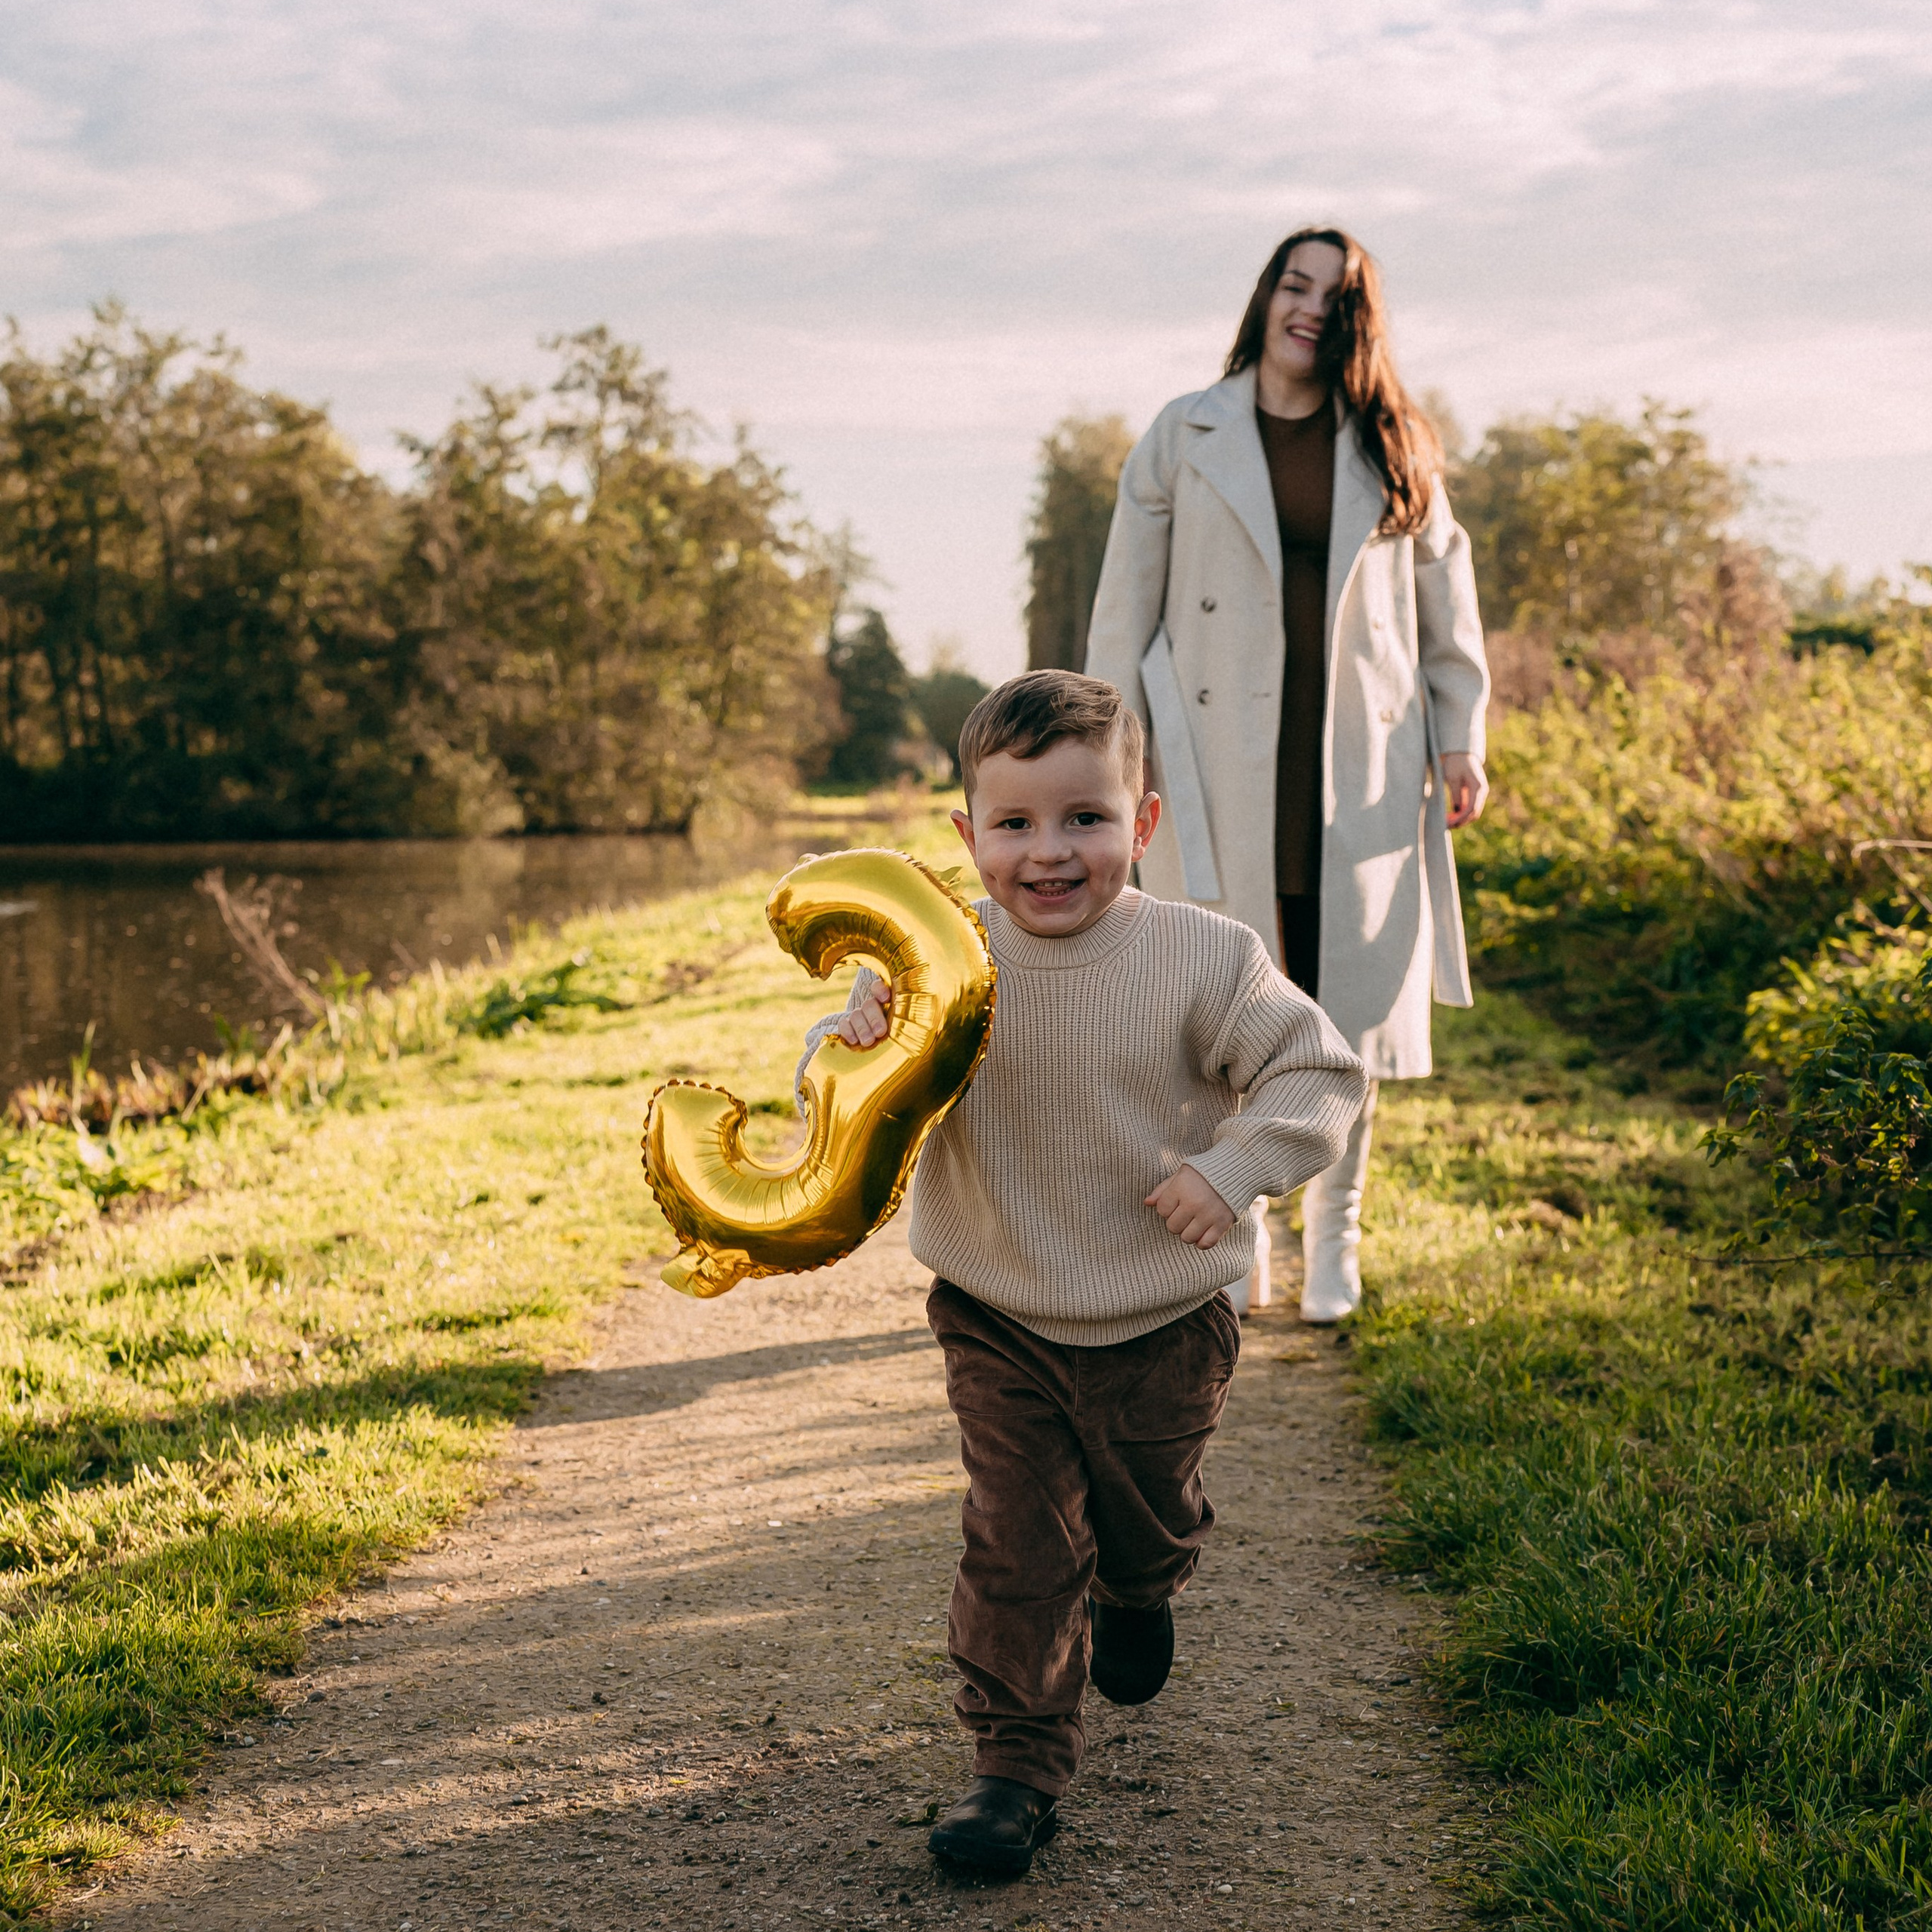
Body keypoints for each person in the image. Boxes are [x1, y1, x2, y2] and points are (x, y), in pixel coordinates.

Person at [808, 670, 1365, 1872]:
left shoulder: (1203, 958)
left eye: (1085, 820)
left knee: (1142, 1522)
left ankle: (1143, 1586)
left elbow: (1319, 1077)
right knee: (1018, 1542)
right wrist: (850, 1034)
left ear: (1143, 823)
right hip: (999, 1309)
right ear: (967, 837)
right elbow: (848, 1096)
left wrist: (1232, 1169)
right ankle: (1012, 1769)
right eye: (1013, 825)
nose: (1048, 854)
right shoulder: (939, 963)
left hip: (1164, 1315)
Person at [1085, 226, 1491, 1324]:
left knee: (1342, 1013)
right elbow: (1125, 609)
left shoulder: (1394, 441)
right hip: (1222, 766)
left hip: (1362, 765)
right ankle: (1247, 1222)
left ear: (1357, 316)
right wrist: (1104, 764)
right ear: (1266, 296)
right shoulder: (1186, 433)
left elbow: (1446, 600)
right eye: (1293, 283)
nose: (1308, 306)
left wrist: (1462, 737)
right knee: (1230, 1007)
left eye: (1333, 292)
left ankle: (1336, 1241)